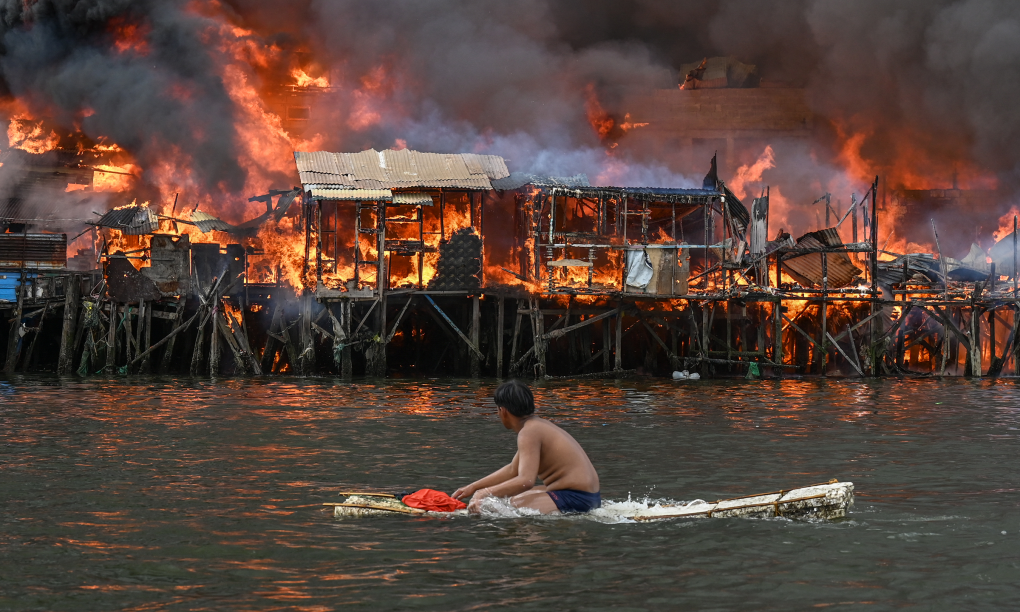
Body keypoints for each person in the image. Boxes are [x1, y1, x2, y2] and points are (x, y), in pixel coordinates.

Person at [451, 380, 601, 514]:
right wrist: (473, 487)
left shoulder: (528, 432)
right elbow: (513, 469)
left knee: (507, 506)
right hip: (587, 496)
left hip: (578, 498)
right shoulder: (536, 426)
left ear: (503, 411)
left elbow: (526, 481)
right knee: (509, 498)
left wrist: (482, 494)